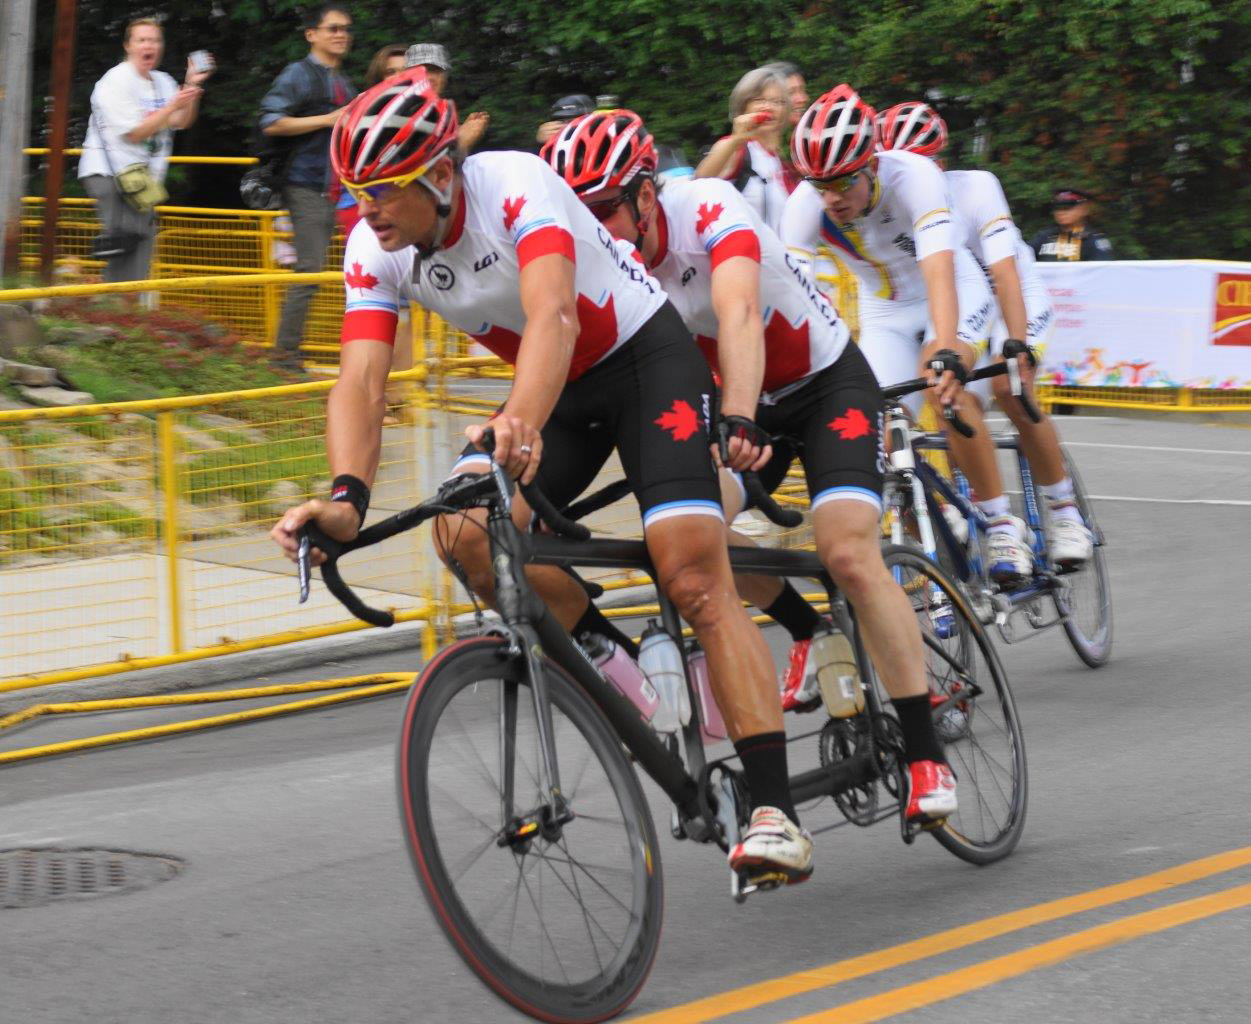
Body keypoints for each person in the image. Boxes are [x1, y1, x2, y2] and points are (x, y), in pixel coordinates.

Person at [269, 72, 814, 887]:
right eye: (355, 192)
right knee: (461, 532)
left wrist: (517, 422)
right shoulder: (371, 250)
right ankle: (619, 664)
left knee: (692, 570)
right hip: (554, 389)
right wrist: (346, 497)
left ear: (441, 175)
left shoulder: (515, 183)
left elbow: (554, 313)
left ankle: (774, 812)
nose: (367, 210)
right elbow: (361, 382)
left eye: (382, 191)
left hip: (640, 363)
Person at [544, 109, 961, 830]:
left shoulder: (706, 206)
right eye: (582, 215)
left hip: (822, 386)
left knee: (846, 551)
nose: (597, 227)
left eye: (607, 207)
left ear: (646, 194)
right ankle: (808, 629)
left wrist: (736, 414)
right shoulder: (598, 253)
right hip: (740, 405)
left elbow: (737, 312)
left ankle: (927, 754)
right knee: (691, 537)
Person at [781, 85, 1034, 584]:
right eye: (819, 184)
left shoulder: (912, 176)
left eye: (843, 183)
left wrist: (946, 350)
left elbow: (941, 270)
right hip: (884, 311)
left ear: (871, 165)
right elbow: (795, 303)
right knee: (869, 427)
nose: (831, 198)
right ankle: (933, 525)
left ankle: (1001, 522)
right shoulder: (804, 206)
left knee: (945, 392)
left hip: (950, 286)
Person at [876, 102, 1093, 567]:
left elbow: (1006, 274)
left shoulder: (974, 187)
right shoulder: (888, 201)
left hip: (1011, 295)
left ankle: (1065, 511)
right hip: (961, 300)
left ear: (940, 162)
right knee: (947, 394)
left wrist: (1016, 344)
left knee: (1008, 388)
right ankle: (965, 505)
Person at [258, 3, 357, 372]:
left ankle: (292, 353)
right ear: (311, 34)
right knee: (311, 270)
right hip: (305, 184)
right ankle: (284, 356)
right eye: (332, 28)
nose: (341, 34)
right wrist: (327, 119)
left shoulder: (343, 81)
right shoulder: (298, 74)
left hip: (337, 188)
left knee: (334, 274)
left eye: (345, 28)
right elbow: (271, 122)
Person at [78, 18, 210, 283]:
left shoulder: (163, 81)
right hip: (110, 174)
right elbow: (135, 132)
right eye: (142, 40)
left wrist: (193, 86)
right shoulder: (115, 81)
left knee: (141, 241)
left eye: (155, 40)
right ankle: (116, 310)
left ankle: (126, 311)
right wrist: (173, 106)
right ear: (128, 45)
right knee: (126, 244)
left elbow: (181, 121)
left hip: (141, 179)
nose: (149, 45)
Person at [694, 65, 790, 232]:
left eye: (777, 102)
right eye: (759, 100)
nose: (768, 107)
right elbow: (700, 181)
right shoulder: (735, 148)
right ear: (743, 105)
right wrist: (736, 139)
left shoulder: (780, 160)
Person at [404, 43, 490, 153]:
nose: (429, 77)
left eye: (435, 70)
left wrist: (457, 133)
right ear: (406, 75)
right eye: (421, 70)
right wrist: (462, 141)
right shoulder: (397, 115)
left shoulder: (444, 113)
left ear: (444, 77)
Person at [1029, 187, 1115, 261]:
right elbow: (1021, 260)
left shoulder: (1094, 241)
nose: (1061, 212)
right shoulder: (1044, 236)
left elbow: (1103, 271)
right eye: (1057, 208)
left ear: (1084, 209)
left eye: (1068, 207)